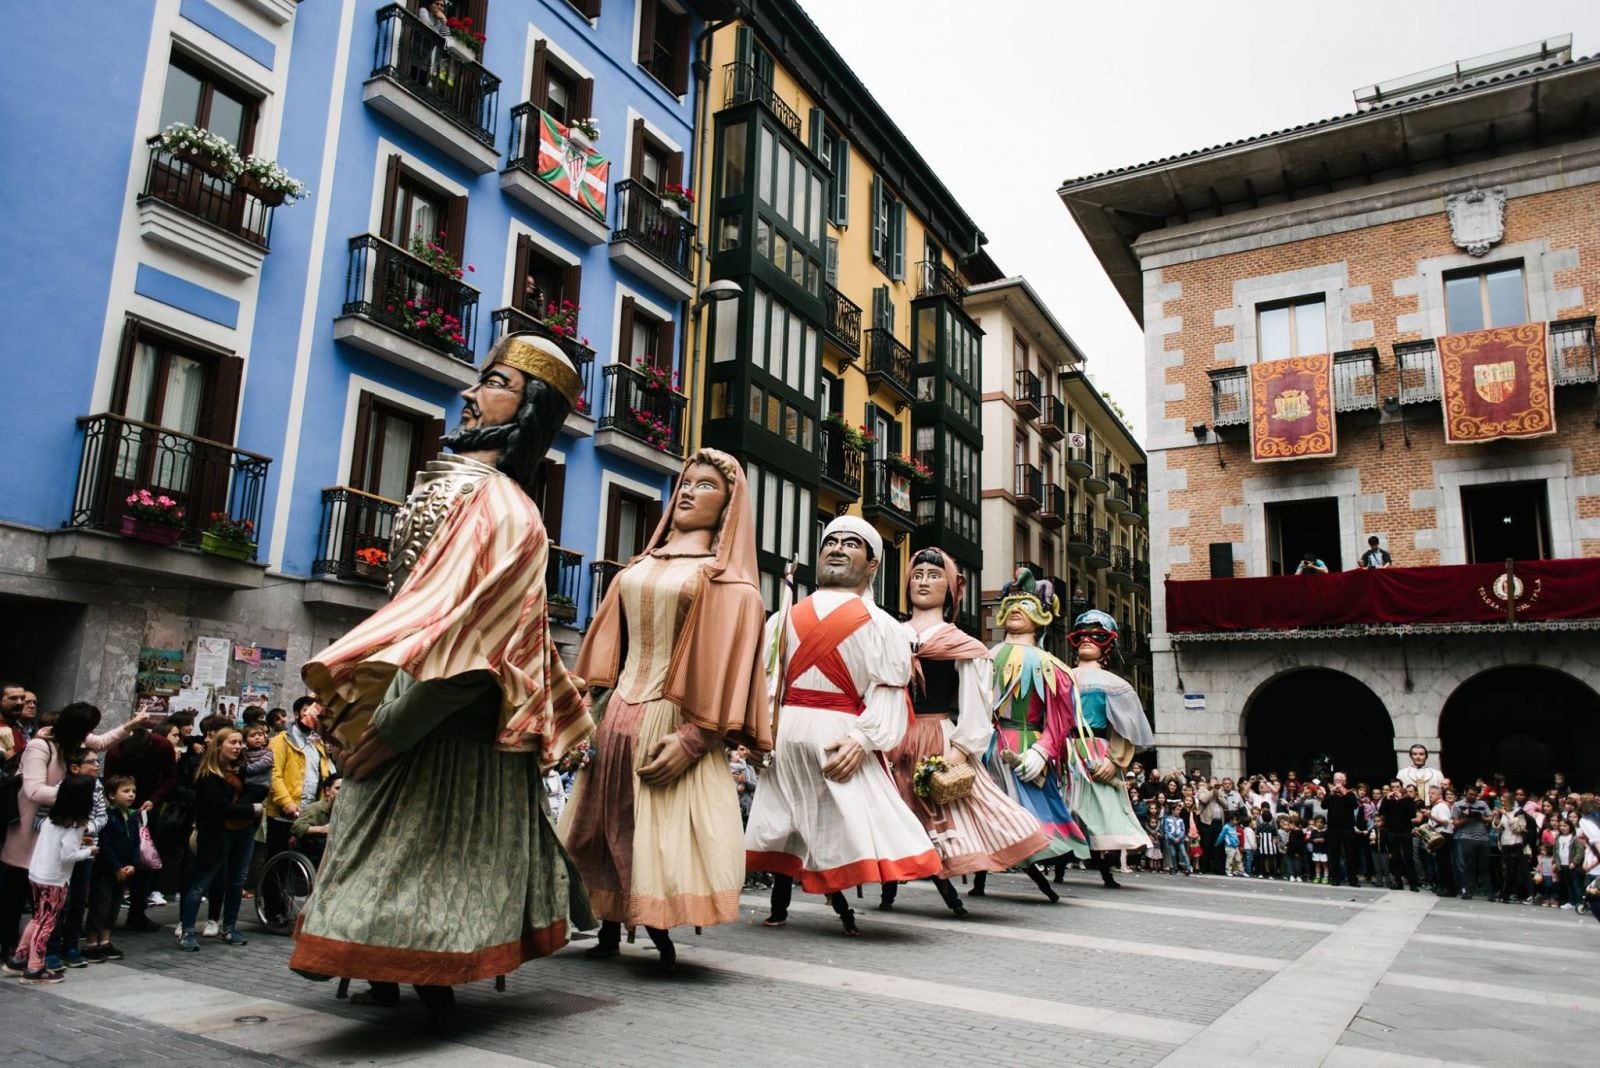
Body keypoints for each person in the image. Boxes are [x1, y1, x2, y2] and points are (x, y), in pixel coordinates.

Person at [292, 333, 592, 1019]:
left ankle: (425, 962)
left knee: (421, 851)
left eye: (492, 382)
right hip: (415, 703)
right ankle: (394, 964)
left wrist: (397, 727)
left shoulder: (503, 512)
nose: (468, 392)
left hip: (446, 721)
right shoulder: (469, 492)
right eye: (479, 378)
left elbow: (479, 646)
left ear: (527, 409)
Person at [563, 449, 770, 971]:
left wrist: (697, 739)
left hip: (670, 717)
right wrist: (584, 709)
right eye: (686, 481)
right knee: (600, 818)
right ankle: (607, 922)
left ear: (728, 508)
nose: (688, 490)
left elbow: (726, 670)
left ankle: (655, 924)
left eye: (706, 486)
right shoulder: (641, 565)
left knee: (656, 829)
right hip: (619, 711)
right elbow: (609, 647)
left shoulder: (732, 587)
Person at [745, 516, 941, 935]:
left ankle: (842, 908)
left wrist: (863, 739)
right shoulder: (780, 619)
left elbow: (887, 694)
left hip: (838, 738)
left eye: (851, 544)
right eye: (829, 542)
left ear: (872, 565)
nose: (836, 548)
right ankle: (781, 905)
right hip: (784, 738)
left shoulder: (884, 627)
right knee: (786, 823)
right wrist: (758, 734)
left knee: (837, 825)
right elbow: (767, 685)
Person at [878, 549, 1049, 917]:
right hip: (892, 735)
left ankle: (945, 887)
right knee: (895, 810)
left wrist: (961, 750)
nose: (923, 581)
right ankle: (891, 885)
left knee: (943, 813)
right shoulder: (889, 635)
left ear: (951, 589)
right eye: (918, 574)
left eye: (934, 575)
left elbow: (976, 705)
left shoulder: (963, 645)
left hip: (935, 734)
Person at [1, 703, 146, 971]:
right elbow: (33, 790)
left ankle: (31, 953)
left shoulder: (74, 742)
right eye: (86, 730)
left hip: (65, 827)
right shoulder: (41, 747)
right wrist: (77, 796)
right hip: (34, 826)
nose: (88, 737)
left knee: (50, 906)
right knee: (21, 893)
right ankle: (19, 953)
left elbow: (101, 742)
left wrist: (132, 725)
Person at [983, 570, 1090, 900]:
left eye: (1025, 602)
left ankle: (1037, 872)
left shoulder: (1053, 667)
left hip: (1027, 747)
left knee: (1026, 815)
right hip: (988, 749)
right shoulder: (983, 659)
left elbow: (1060, 719)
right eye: (1011, 602)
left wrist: (1043, 750)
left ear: (1041, 613)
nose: (1016, 608)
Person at [1060, 611, 1154, 889]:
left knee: (1103, 811)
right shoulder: (1059, 677)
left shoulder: (1117, 685)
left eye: (1097, 636)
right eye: (1081, 635)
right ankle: (1059, 864)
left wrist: (1114, 761)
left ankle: (1105, 868)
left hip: (1096, 751)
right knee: (1065, 807)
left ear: (1108, 644)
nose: (1088, 640)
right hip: (1064, 751)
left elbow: (1125, 728)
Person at [7, 775, 97, 984]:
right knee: (47, 922)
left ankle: (19, 958)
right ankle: (34, 967)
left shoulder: (52, 818)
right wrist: (89, 851)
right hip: (54, 879)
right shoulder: (74, 824)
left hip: (37, 873)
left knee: (38, 917)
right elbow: (68, 855)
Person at [178, 728, 261, 950]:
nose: (238, 747)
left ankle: (230, 927)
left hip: (243, 832)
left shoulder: (242, 771)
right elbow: (222, 808)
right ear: (219, 745)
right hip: (216, 834)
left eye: (240, 743)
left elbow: (254, 792)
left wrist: (246, 808)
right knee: (202, 881)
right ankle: (187, 930)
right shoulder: (207, 776)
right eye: (232, 742)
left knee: (237, 881)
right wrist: (251, 809)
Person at [266, 698, 332, 860]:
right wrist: (287, 803)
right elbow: (274, 774)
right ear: (296, 714)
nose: (311, 716)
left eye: (315, 712)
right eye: (306, 711)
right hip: (284, 814)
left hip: (309, 815)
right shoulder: (280, 740)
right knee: (278, 860)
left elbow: (324, 774)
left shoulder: (317, 742)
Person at [83, 775, 140, 962]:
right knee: (100, 905)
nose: (131, 795)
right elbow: (104, 845)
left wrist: (132, 863)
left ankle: (105, 941)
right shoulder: (108, 816)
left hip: (124, 870)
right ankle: (91, 942)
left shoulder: (132, 816)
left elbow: (135, 843)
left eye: (133, 791)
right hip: (106, 870)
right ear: (111, 795)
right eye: (125, 791)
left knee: (114, 906)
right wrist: (116, 866)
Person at [1323, 773, 1365, 888]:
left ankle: (1353, 879)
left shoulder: (1350, 793)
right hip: (1333, 828)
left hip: (1347, 828)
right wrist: (1330, 793)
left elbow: (1354, 805)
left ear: (1344, 782)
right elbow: (1324, 806)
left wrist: (1343, 792)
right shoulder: (1330, 794)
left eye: (1340, 780)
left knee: (1351, 854)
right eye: (1336, 780)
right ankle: (1335, 878)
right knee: (1334, 855)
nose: (1337, 783)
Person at [1377, 781, 1420, 891]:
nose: (1395, 789)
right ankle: (1398, 882)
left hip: (1405, 832)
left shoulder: (1407, 799)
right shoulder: (1388, 800)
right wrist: (1386, 799)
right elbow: (1381, 812)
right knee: (1395, 859)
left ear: (1401, 788)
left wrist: (1402, 799)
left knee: (1408, 858)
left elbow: (1412, 814)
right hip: (1392, 832)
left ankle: (1413, 883)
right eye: (1393, 787)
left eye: (1397, 787)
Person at [289, 775, 340, 869]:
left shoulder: (343, 810)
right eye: (338, 788)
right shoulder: (315, 809)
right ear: (327, 790)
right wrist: (321, 829)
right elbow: (295, 827)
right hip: (313, 850)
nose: (341, 793)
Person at [1452, 786, 1494, 899]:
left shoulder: (1482, 804)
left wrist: (1481, 817)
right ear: (1465, 792)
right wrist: (1467, 817)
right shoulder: (1457, 805)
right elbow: (1455, 823)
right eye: (1470, 794)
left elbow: (1490, 818)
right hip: (1466, 837)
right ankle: (1468, 891)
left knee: (1484, 866)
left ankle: (1489, 892)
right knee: (1469, 865)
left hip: (1482, 838)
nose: (1472, 797)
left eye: (1475, 795)